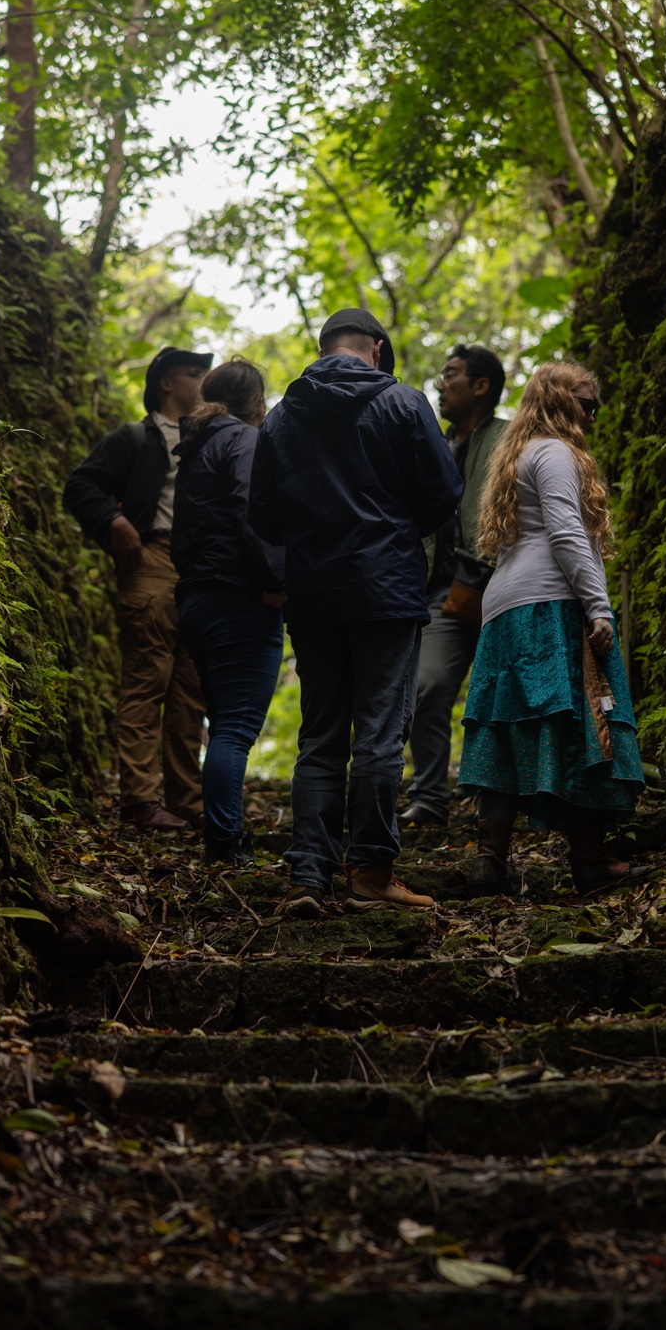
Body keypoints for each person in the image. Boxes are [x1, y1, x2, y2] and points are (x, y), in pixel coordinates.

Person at [249, 307, 463, 917]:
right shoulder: (403, 402)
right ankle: (370, 869)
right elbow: (445, 493)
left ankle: (308, 877)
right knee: (377, 733)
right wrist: (397, 527)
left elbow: (263, 516)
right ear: (375, 347)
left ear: (323, 350)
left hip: (315, 595)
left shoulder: (284, 417)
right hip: (386, 590)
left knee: (319, 737)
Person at [457, 359, 647, 896]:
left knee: (506, 724)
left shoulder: (518, 453)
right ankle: (589, 859)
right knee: (577, 723)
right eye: (586, 401)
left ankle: (489, 860)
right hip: (550, 605)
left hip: (504, 609)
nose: (593, 413)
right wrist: (598, 606)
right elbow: (566, 532)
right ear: (561, 399)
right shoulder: (557, 453)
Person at [63, 346, 208, 832]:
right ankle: (141, 802)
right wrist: (114, 521)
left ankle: (188, 804)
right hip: (151, 560)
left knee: (192, 692)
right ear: (166, 383)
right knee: (148, 679)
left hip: (202, 570)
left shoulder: (210, 437)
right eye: (193, 373)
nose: (202, 380)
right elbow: (81, 486)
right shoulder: (136, 437)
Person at [171, 358, 286, 866]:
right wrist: (276, 582)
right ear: (257, 403)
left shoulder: (197, 447)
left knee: (224, 725)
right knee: (236, 728)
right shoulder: (242, 440)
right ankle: (225, 842)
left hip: (198, 599)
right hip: (238, 599)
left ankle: (225, 834)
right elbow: (251, 511)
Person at [400, 343, 508, 829]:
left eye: (451, 375)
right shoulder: (432, 445)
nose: (441, 385)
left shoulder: (510, 440)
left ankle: (507, 798)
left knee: (510, 694)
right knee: (427, 686)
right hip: (444, 593)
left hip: (507, 589)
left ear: (481, 386)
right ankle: (429, 796)